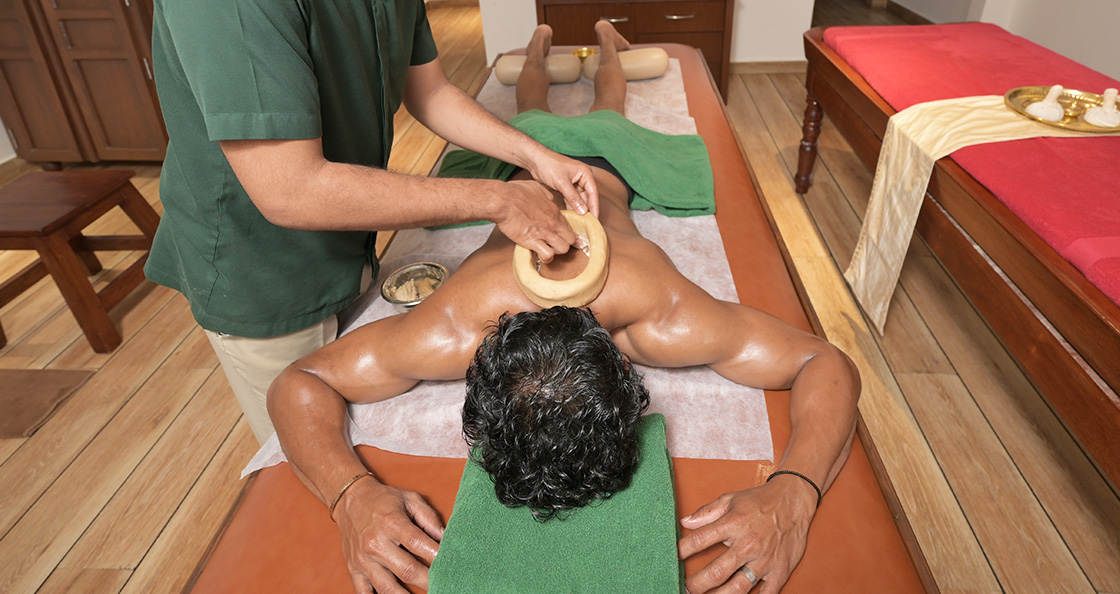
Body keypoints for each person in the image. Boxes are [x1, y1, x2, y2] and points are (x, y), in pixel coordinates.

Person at [267, 22, 861, 594]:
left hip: (598, 170)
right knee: (530, 108)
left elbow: (826, 363)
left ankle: (605, 42)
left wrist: (795, 491)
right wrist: (349, 494)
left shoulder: (654, 307)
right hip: (524, 163)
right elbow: (298, 384)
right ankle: (540, 47)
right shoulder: (463, 323)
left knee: (608, 109)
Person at [146, 0, 600, 444]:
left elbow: (431, 91)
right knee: (310, 442)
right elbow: (290, 189)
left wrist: (535, 157)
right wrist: (497, 199)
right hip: (263, 274)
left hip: (347, 243)